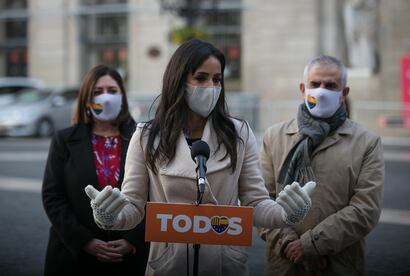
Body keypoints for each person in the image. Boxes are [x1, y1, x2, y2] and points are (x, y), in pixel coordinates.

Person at [84, 39, 316, 276]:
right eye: (201, 78)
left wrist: (286, 213)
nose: (211, 86)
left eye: (217, 79)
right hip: (169, 264)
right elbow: (133, 207)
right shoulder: (146, 136)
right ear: (179, 80)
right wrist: (108, 216)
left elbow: (255, 202)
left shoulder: (238, 133)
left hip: (224, 263)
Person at [259, 55, 384, 275]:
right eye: (315, 84)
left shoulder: (366, 143)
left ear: (344, 93)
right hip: (285, 265)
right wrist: (289, 244)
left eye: (330, 85)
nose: (321, 91)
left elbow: (365, 210)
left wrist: (311, 246)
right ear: (303, 88)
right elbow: (261, 200)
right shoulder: (274, 137)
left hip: (338, 263)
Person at [42, 65, 149, 276]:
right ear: (86, 98)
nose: (106, 98)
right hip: (74, 256)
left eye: (112, 90)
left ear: (122, 96)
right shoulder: (64, 140)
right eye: (98, 92)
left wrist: (132, 240)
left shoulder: (144, 139)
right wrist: (85, 241)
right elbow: (52, 196)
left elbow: (156, 196)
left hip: (129, 257)